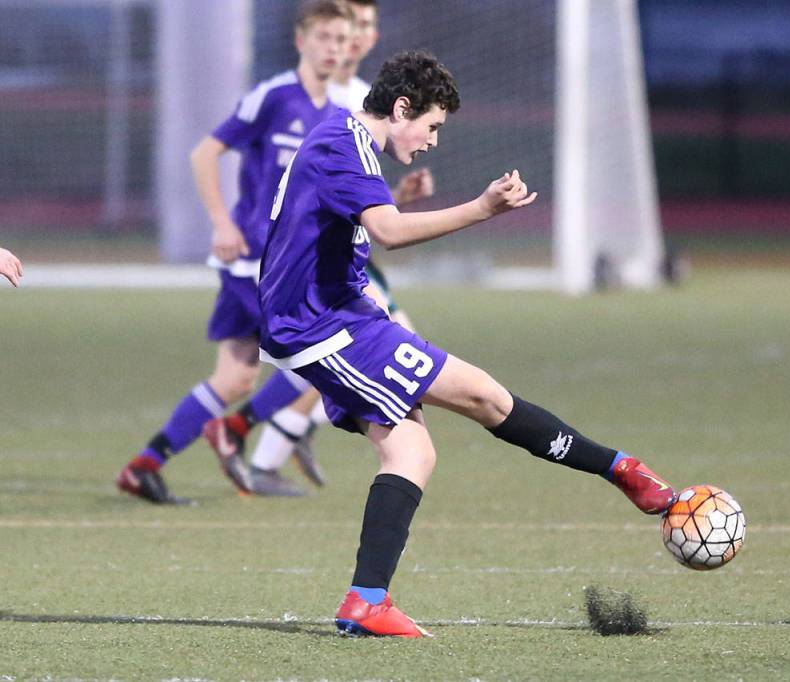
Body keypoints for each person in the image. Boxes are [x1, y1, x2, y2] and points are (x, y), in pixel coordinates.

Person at [257, 49, 680, 638]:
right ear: (401, 107)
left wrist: (395, 199)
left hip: (339, 314)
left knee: (413, 454)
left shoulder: (346, 144)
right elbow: (386, 232)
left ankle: (366, 601)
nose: (433, 140)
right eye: (431, 125)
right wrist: (482, 208)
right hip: (320, 324)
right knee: (483, 395)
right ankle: (624, 471)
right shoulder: (343, 143)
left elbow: (338, 221)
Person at [115, 0, 355, 505]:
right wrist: (222, 223)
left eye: (341, 39)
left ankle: (145, 465)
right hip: (255, 259)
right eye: (324, 37)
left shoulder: (337, 116)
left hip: (288, 264)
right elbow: (205, 152)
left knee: (237, 375)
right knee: (320, 358)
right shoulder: (274, 97)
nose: (333, 48)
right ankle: (236, 430)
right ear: (301, 41)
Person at [231, 0, 431, 497]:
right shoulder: (320, 96)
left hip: (349, 254)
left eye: (367, 25)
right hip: (305, 256)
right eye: (350, 27)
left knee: (377, 353)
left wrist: (400, 197)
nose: (358, 37)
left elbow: (365, 199)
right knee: (387, 350)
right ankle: (266, 436)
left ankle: (272, 439)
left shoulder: (367, 97)